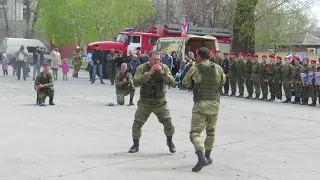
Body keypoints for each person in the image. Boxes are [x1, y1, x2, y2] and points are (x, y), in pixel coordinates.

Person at [182, 47, 226, 172]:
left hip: (200, 104)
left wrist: (194, 85)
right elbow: (223, 81)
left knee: (195, 133)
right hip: (214, 104)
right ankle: (207, 157)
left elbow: (185, 83)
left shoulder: (195, 68)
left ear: (199, 57)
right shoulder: (217, 68)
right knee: (211, 132)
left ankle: (201, 157)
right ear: (210, 57)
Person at [128, 50, 176, 154]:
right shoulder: (142, 68)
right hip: (145, 101)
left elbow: (172, 82)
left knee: (168, 122)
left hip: (160, 101)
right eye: (154, 59)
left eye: (159, 59)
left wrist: (162, 74)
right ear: (148, 58)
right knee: (137, 123)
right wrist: (149, 73)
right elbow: (136, 83)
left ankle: (170, 142)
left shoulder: (164, 67)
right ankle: (135, 145)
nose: (157, 62)